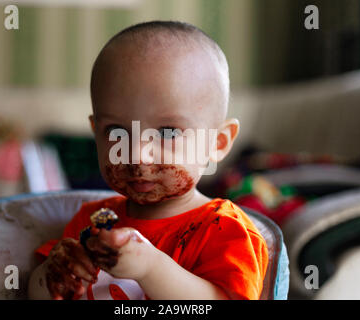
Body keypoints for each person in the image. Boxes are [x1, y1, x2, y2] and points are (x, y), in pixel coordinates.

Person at [28, 21, 268, 300]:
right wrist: (53, 275)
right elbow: (36, 294)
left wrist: (151, 268)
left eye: (167, 132)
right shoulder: (92, 221)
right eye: (117, 132)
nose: (137, 155)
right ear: (97, 133)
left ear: (218, 142)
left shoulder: (224, 229)